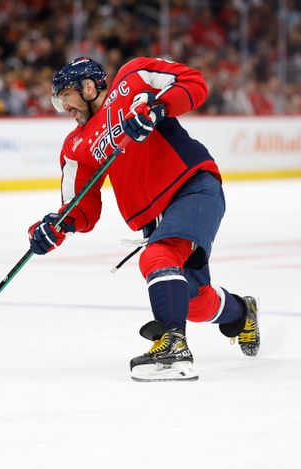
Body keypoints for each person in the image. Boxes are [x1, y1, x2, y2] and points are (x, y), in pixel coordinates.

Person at [31, 57, 260, 382]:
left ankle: (173, 347)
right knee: (195, 303)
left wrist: (158, 108)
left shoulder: (134, 79)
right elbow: (82, 209)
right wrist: (55, 227)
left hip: (193, 186)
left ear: (87, 86)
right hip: (156, 219)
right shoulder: (76, 146)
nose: (62, 106)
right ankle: (243, 312)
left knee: (158, 256)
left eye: (64, 95)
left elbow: (194, 82)